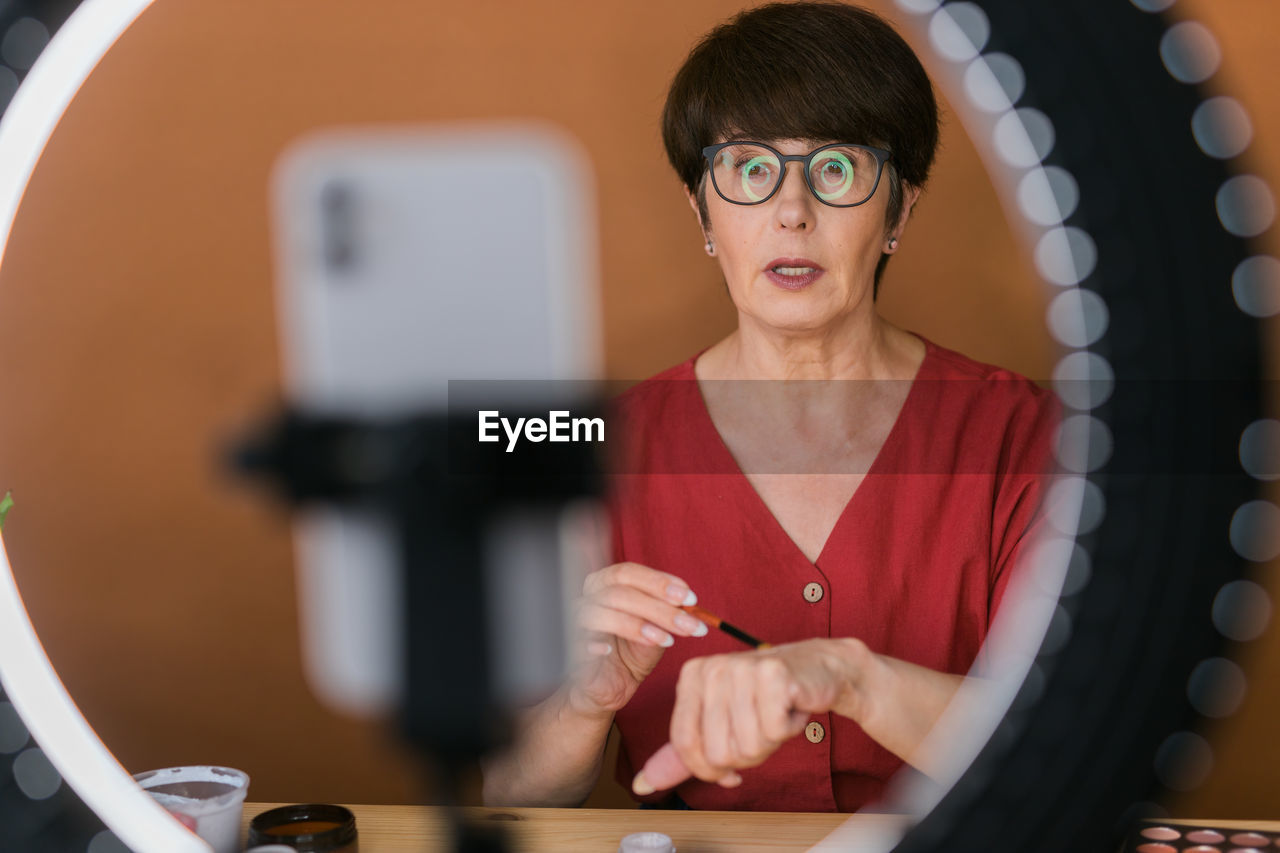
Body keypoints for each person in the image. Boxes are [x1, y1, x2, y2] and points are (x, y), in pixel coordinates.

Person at [482, 1, 1057, 812]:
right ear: (702, 212)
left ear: (900, 207)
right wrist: (583, 700)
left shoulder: (1024, 438)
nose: (792, 212)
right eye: (750, 170)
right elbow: (512, 794)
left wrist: (854, 677)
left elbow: (1066, 748)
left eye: (837, 168)